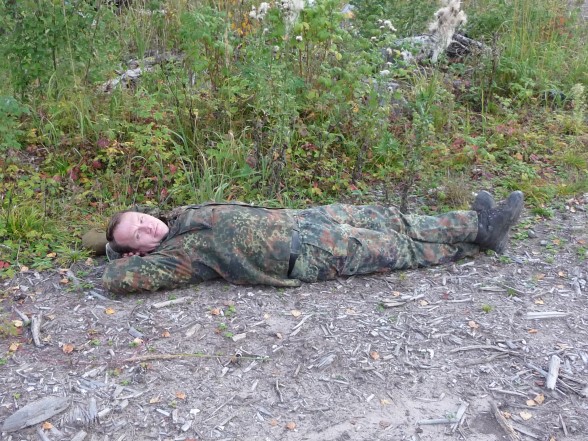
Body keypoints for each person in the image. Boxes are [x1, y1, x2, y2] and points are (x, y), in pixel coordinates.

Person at [101, 190, 524, 294]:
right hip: (307, 253)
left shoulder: (177, 217)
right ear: (137, 251)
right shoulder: (173, 258)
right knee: (399, 248)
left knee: (391, 218)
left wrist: (115, 234)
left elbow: (113, 228)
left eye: (141, 219)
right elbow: (115, 280)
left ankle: (478, 223)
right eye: (137, 235)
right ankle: (478, 236)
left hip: (307, 218)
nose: (146, 227)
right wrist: (113, 252)